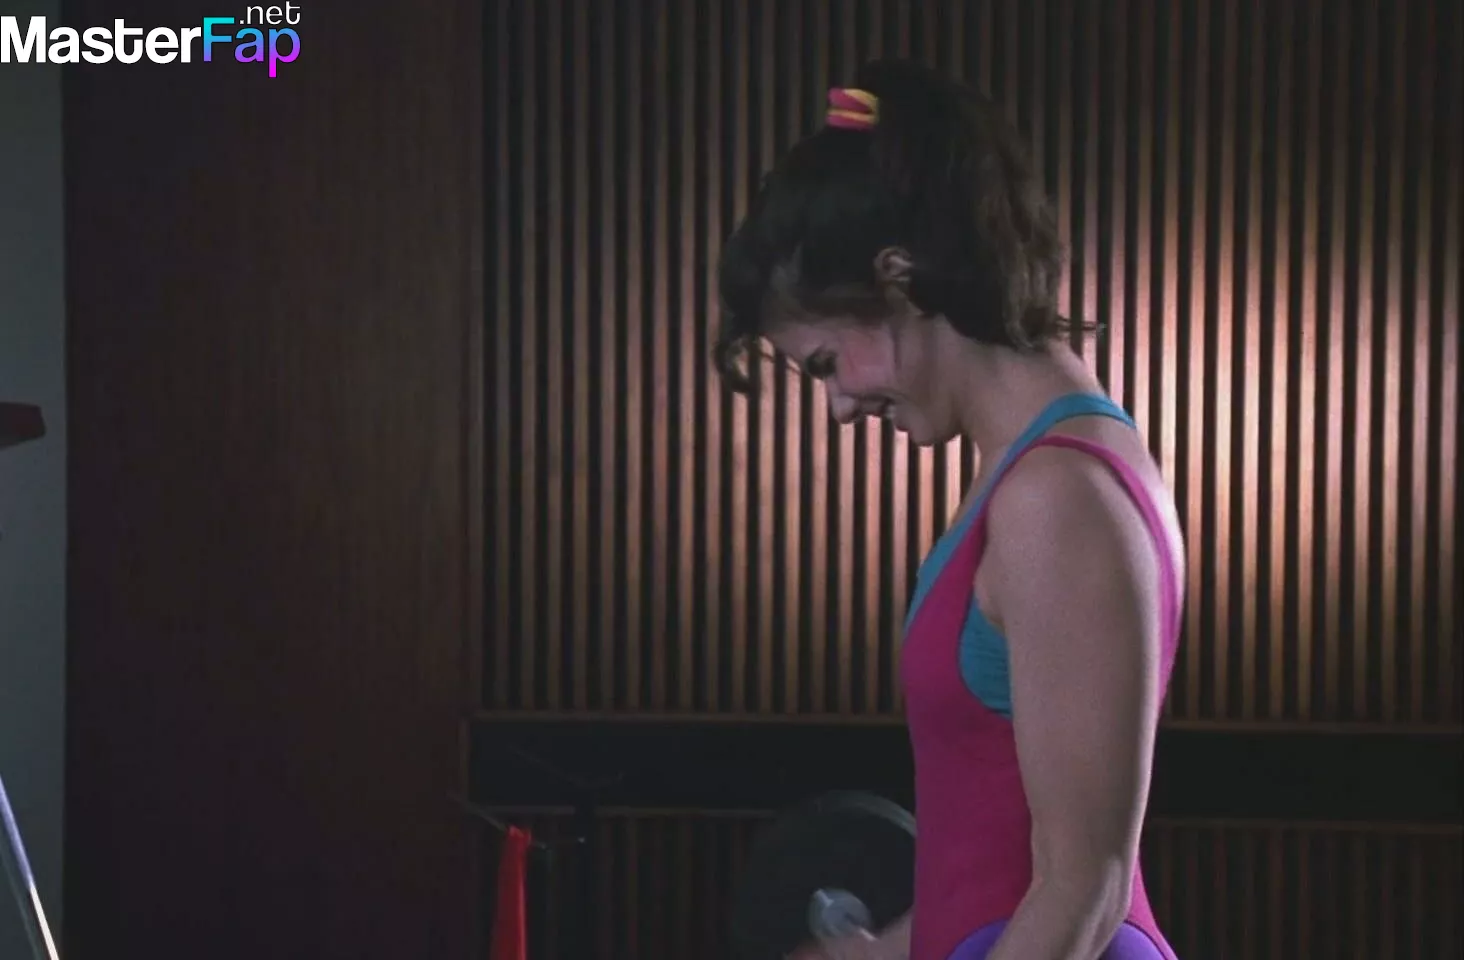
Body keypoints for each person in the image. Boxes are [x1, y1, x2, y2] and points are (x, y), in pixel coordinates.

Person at [713, 60, 1185, 960]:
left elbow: (1084, 889)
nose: (839, 408)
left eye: (826, 365)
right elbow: (995, 861)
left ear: (900, 281)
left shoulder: (1058, 496)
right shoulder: (1038, 473)